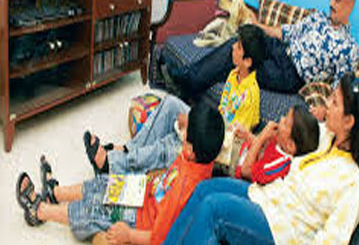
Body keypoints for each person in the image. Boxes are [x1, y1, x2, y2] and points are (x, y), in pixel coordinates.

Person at [163, 72, 359, 245]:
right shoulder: (324, 135)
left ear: (349, 121)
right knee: (204, 190)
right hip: (268, 197)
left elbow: (333, 240)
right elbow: (289, 137)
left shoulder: (352, 183)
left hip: (283, 231)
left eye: (335, 102)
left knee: (213, 209)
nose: (327, 104)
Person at [15, 100, 225, 245]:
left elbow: (159, 238)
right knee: (103, 184)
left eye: (186, 131)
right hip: (145, 193)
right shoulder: (197, 158)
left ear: (190, 149)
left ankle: (39, 211)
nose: (182, 130)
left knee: (93, 210)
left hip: (139, 220)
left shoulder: (184, 190)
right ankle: (55, 193)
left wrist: (129, 235)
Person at [83, 24, 267, 176]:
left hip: (217, 148)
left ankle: (111, 165)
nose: (233, 47)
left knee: (171, 144)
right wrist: (194, 121)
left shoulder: (250, 95)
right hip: (212, 127)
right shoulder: (234, 74)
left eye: (238, 46)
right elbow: (219, 116)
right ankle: (127, 149)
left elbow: (227, 140)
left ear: (248, 61)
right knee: (171, 103)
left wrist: (193, 127)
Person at [176, 0, 359, 96]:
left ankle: (187, 81)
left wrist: (324, 108)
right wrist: (257, 26)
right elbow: (286, 32)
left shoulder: (348, 48)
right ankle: (191, 79)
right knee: (243, 38)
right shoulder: (318, 17)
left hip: (291, 73)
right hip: (279, 48)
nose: (331, 4)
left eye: (338, 0)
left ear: (350, 6)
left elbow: (340, 89)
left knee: (239, 55)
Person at [235, 104, 319, 183]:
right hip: (241, 150)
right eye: (285, 116)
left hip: (236, 169)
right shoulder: (281, 141)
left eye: (285, 123)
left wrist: (262, 136)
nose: (281, 119)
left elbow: (245, 171)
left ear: (290, 146)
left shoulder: (279, 166)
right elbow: (261, 147)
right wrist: (248, 135)